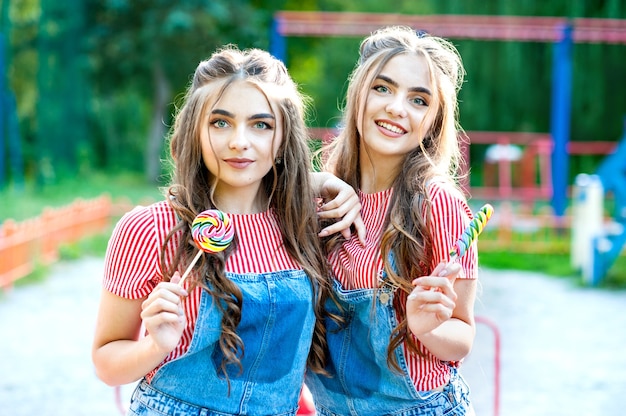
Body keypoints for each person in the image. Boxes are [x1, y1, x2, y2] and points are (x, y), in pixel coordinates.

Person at [92, 46, 363, 416]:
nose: (239, 141)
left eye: (261, 124)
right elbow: (106, 362)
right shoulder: (152, 229)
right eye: (220, 122)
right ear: (196, 132)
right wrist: (153, 346)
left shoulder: (307, 223)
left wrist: (323, 184)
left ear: (282, 138)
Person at [305, 26, 477, 415]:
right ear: (358, 95)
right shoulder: (320, 196)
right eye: (383, 88)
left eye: (418, 100)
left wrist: (427, 327)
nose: (397, 108)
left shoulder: (437, 204)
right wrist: (311, 182)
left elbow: (463, 334)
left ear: (434, 120)